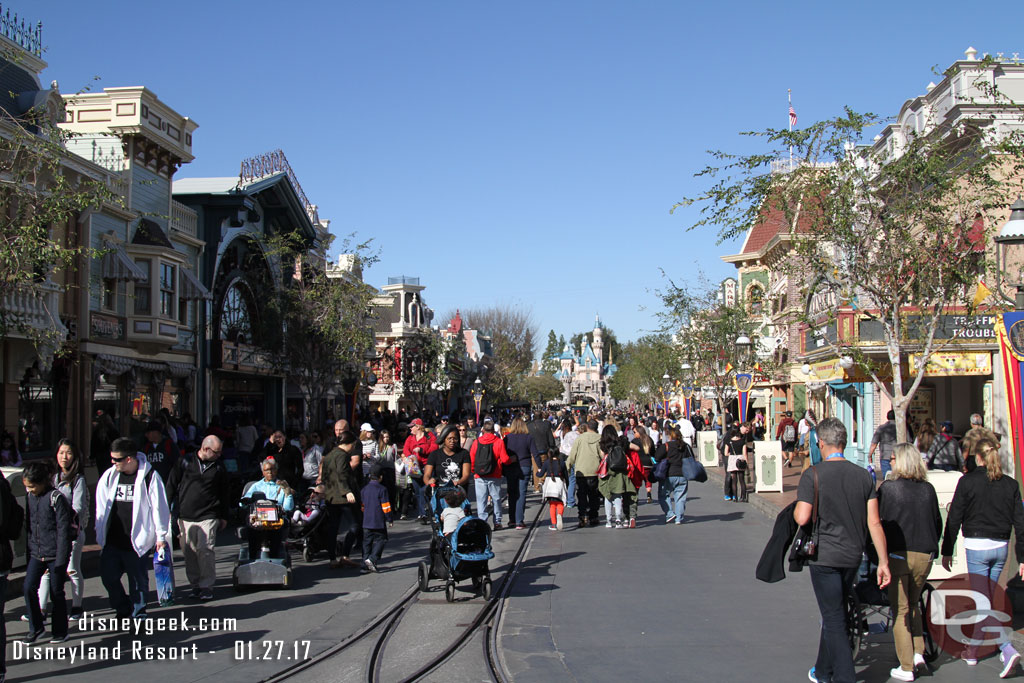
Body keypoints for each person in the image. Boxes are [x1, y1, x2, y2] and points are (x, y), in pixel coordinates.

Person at [795, 417, 890, 683]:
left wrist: (794, 510)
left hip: (824, 555)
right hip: (852, 555)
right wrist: (883, 561)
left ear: (821, 442)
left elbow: (802, 517)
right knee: (835, 610)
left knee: (834, 616)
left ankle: (844, 676)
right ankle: (823, 670)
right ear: (844, 443)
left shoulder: (812, 474)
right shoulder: (862, 476)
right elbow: (874, 521)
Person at [941, 436, 1024, 676]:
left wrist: (947, 549)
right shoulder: (1010, 484)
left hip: (977, 546)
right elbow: (1020, 523)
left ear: (977, 457)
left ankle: (1007, 649)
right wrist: (1022, 557)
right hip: (1001, 547)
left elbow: (954, 516)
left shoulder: (967, 482)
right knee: (985, 600)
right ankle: (973, 652)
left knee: (982, 601)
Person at [878, 443, 941, 681]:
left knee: (901, 610)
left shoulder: (890, 489)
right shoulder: (928, 489)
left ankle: (906, 667)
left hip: (898, 554)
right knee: (913, 605)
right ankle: (917, 653)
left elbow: (878, 523)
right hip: (924, 554)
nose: (890, 462)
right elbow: (937, 523)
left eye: (893, 458)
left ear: (901, 461)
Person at [96, 437, 172, 619]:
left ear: (129, 459)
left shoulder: (149, 476)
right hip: (113, 538)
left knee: (138, 581)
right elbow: (101, 505)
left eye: (116, 459)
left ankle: (138, 613)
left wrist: (161, 536)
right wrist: (99, 531)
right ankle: (122, 607)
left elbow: (159, 506)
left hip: (137, 539)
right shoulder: (110, 475)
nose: (113, 462)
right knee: (108, 577)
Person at [166, 435, 229, 601]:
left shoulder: (218, 467)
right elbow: (171, 484)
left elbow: (224, 492)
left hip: (208, 515)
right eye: (216, 452)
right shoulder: (185, 462)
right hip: (185, 515)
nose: (219, 455)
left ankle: (206, 585)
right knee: (190, 552)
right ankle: (195, 583)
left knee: (205, 549)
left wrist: (223, 516)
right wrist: (166, 509)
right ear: (205, 449)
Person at [38, 439, 89, 619]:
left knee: (72, 569)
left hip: (70, 532)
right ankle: (41, 609)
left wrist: (65, 523)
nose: (64, 457)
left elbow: (79, 508)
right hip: (51, 533)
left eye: (68, 453)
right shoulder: (52, 477)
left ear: (74, 456)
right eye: (61, 452)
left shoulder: (77, 479)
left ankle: (76, 606)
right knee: (46, 570)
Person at [22, 461, 72, 645]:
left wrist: (61, 559)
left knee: (56, 592)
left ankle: (60, 631)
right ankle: (36, 627)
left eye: (32, 486)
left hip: (55, 553)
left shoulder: (56, 498)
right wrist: (30, 550)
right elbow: (29, 525)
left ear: (43, 482)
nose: (30, 490)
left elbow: (63, 530)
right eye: (27, 487)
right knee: (28, 587)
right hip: (37, 552)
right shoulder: (30, 498)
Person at [320, 431, 361, 569]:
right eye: (353, 445)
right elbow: (342, 474)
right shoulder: (342, 456)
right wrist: (347, 491)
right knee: (355, 525)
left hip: (331, 496)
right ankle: (345, 555)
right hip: (343, 498)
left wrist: (325, 489)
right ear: (349, 444)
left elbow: (324, 475)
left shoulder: (329, 455)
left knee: (333, 527)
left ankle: (332, 558)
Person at [470, 419, 510, 530]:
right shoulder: (498, 442)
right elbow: (505, 459)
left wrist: (474, 471)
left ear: (483, 430)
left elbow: (472, 458)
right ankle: (497, 522)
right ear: (493, 430)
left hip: (480, 476)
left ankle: (482, 522)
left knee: (481, 500)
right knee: (496, 499)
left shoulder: (477, 442)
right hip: (495, 474)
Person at [503, 417, 539, 530]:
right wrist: (540, 468)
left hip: (510, 467)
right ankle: (519, 521)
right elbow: (535, 454)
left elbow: (503, 454)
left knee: (512, 493)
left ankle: (512, 520)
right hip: (525, 466)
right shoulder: (528, 437)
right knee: (521, 493)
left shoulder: (507, 438)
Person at [567, 421, 603, 528]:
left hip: (581, 471)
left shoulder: (580, 438)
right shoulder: (599, 438)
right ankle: (593, 517)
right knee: (594, 495)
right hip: (594, 471)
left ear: (587, 427)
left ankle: (582, 516)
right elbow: (602, 455)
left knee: (581, 495)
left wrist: (567, 467)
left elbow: (572, 455)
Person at [597, 425, 633, 528]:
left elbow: (602, 456)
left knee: (608, 495)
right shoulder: (619, 443)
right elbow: (635, 447)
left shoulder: (603, 444)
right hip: (619, 471)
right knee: (618, 494)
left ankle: (608, 520)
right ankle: (618, 519)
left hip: (608, 471)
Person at [403, 419, 437, 523]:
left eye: (412, 426)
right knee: (417, 491)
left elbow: (435, 447)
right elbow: (405, 449)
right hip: (414, 467)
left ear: (418, 427)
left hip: (427, 466)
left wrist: (422, 450)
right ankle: (422, 513)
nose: (410, 428)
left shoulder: (429, 436)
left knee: (425, 490)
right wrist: (410, 457)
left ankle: (428, 511)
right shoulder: (410, 438)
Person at [360, 466, 393, 572]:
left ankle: (364, 564)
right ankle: (372, 558)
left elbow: (362, 505)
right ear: (381, 477)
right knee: (382, 539)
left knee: (367, 542)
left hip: (366, 520)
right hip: (378, 520)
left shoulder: (364, 489)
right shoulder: (382, 489)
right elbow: (386, 506)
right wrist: (389, 518)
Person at [653, 426, 688, 524]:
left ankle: (669, 513)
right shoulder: (685, 446)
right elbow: (691, 458)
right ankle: (679, 518)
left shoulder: (666, 446)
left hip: (668, 474)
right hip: (682, 474)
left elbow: (657, 457)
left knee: (663, 495)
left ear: (670, 436)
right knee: (680, 497)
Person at [425, 425, 472, 492]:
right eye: (449, 438)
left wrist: (458, 482)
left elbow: (466, 475)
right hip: (440, 491)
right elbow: (427, 474)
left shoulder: (464, 453)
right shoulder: (434, 454)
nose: (452, 441)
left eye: (455, 438)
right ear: (444, 439)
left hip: (458, 492)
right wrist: (428, 481)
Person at [538, 448, 567, 531]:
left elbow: (540, 474)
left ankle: (553, 524)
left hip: (550, 486)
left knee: (552, 505)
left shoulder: (547, 462)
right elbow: (565, 475)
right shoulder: (561, 462)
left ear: (549, 454)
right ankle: (560, 515)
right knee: (560, 503)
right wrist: (567, 486)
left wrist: (537, 472)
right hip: (559, 485)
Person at [868, 410, 899, 478]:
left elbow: (874, 443)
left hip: (885, 456)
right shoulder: (900, 428)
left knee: (886, 477)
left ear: (887, 417)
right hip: (899, 456)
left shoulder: (881, 428)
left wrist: (870, 455)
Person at [557, 419, 579, 508]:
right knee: (577, 479)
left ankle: (570, 501)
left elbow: (564, 449)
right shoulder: (575, 434)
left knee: (571, 480)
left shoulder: (564, 435)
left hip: (567, 459)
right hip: (577, 457)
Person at [726, 424, 749, 503]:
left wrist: (732, 455)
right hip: (740, 459)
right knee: (742, 479)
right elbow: (745, 453)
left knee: (734, 480)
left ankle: (735, 497)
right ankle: (743, 497)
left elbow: (726, 453)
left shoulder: (730, 442)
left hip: (732, 459)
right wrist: (746, 461)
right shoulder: (742, 441)